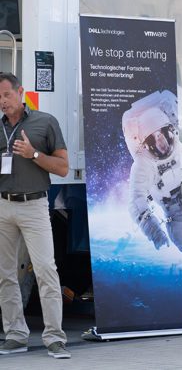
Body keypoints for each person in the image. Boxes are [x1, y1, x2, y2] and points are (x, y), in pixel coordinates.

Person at [0, 72, 70, 358]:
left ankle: (55, 338)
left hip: (34, 206)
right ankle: (16, 334)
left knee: (45, 271)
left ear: (21, 93)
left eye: (6, 94)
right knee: (5, 274)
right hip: (3, 206)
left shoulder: (45, 122)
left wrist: (34, 154)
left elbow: (63, 167)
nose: (2, 101)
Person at [122, 90, 182, 253]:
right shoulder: (144, 162)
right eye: (154, 138)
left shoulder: (181, 143)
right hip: (174, 213)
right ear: (147, 144)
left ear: (170, 131)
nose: (160, 141)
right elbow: (136, 202)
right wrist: (154, 231)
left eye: (162, 134)